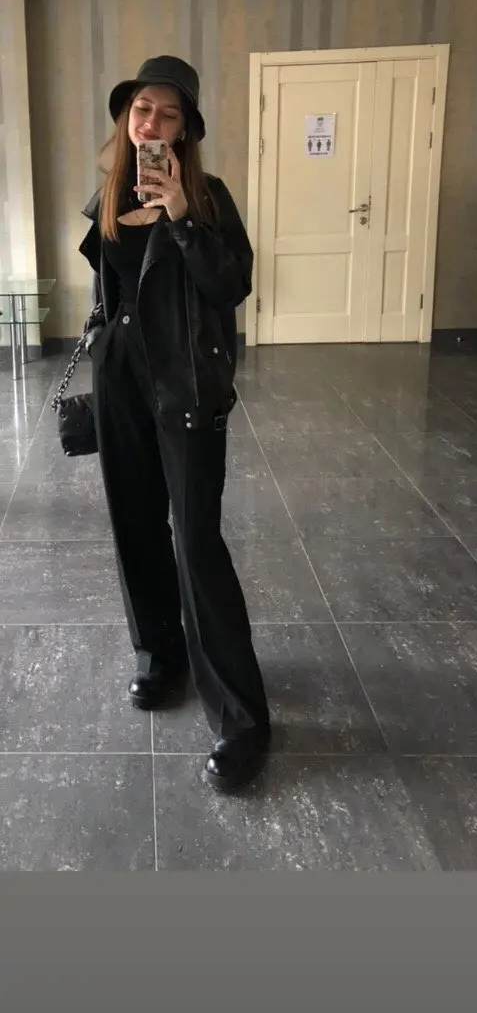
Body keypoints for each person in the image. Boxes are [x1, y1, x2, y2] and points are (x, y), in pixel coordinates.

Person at [78, 55, 271, 793]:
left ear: (185, 128)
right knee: (135, 526)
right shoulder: (108, 192)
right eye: (140, 109)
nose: (149, 122)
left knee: (196, 542)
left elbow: (231, 284)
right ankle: (161, 653)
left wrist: (183, 217)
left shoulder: (209, 198)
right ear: (126, 118)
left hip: (186, 385)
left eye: (165, 112)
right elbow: (112, 289)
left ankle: (242, 719)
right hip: (122, 382)